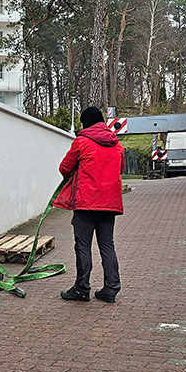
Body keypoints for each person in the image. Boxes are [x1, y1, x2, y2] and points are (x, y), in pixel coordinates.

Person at [53, 106, 125, 303]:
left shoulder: (82, 142)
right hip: (109, 204)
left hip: (86, 203)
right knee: (107, 245)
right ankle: (111, 289)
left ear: (86, 122)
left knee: (83, 246)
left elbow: (64, 167)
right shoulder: (117, 145)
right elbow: (121, 169)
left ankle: (81, 288)